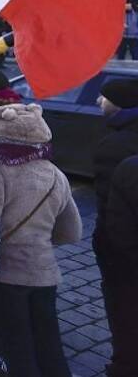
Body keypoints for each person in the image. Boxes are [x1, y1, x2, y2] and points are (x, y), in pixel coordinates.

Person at [0, 103, 81, 377]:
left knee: (13, 345)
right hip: (44, 273)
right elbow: (71, 232)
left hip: (6, 273)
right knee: (48, 345)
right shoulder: (55, 173)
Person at [92, 77, 138, 377]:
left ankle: (125, 366)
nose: (98, 102)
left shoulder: (114, 147)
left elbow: (113, 213)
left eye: (104, 97)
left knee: (125, 315)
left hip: (123, 260)